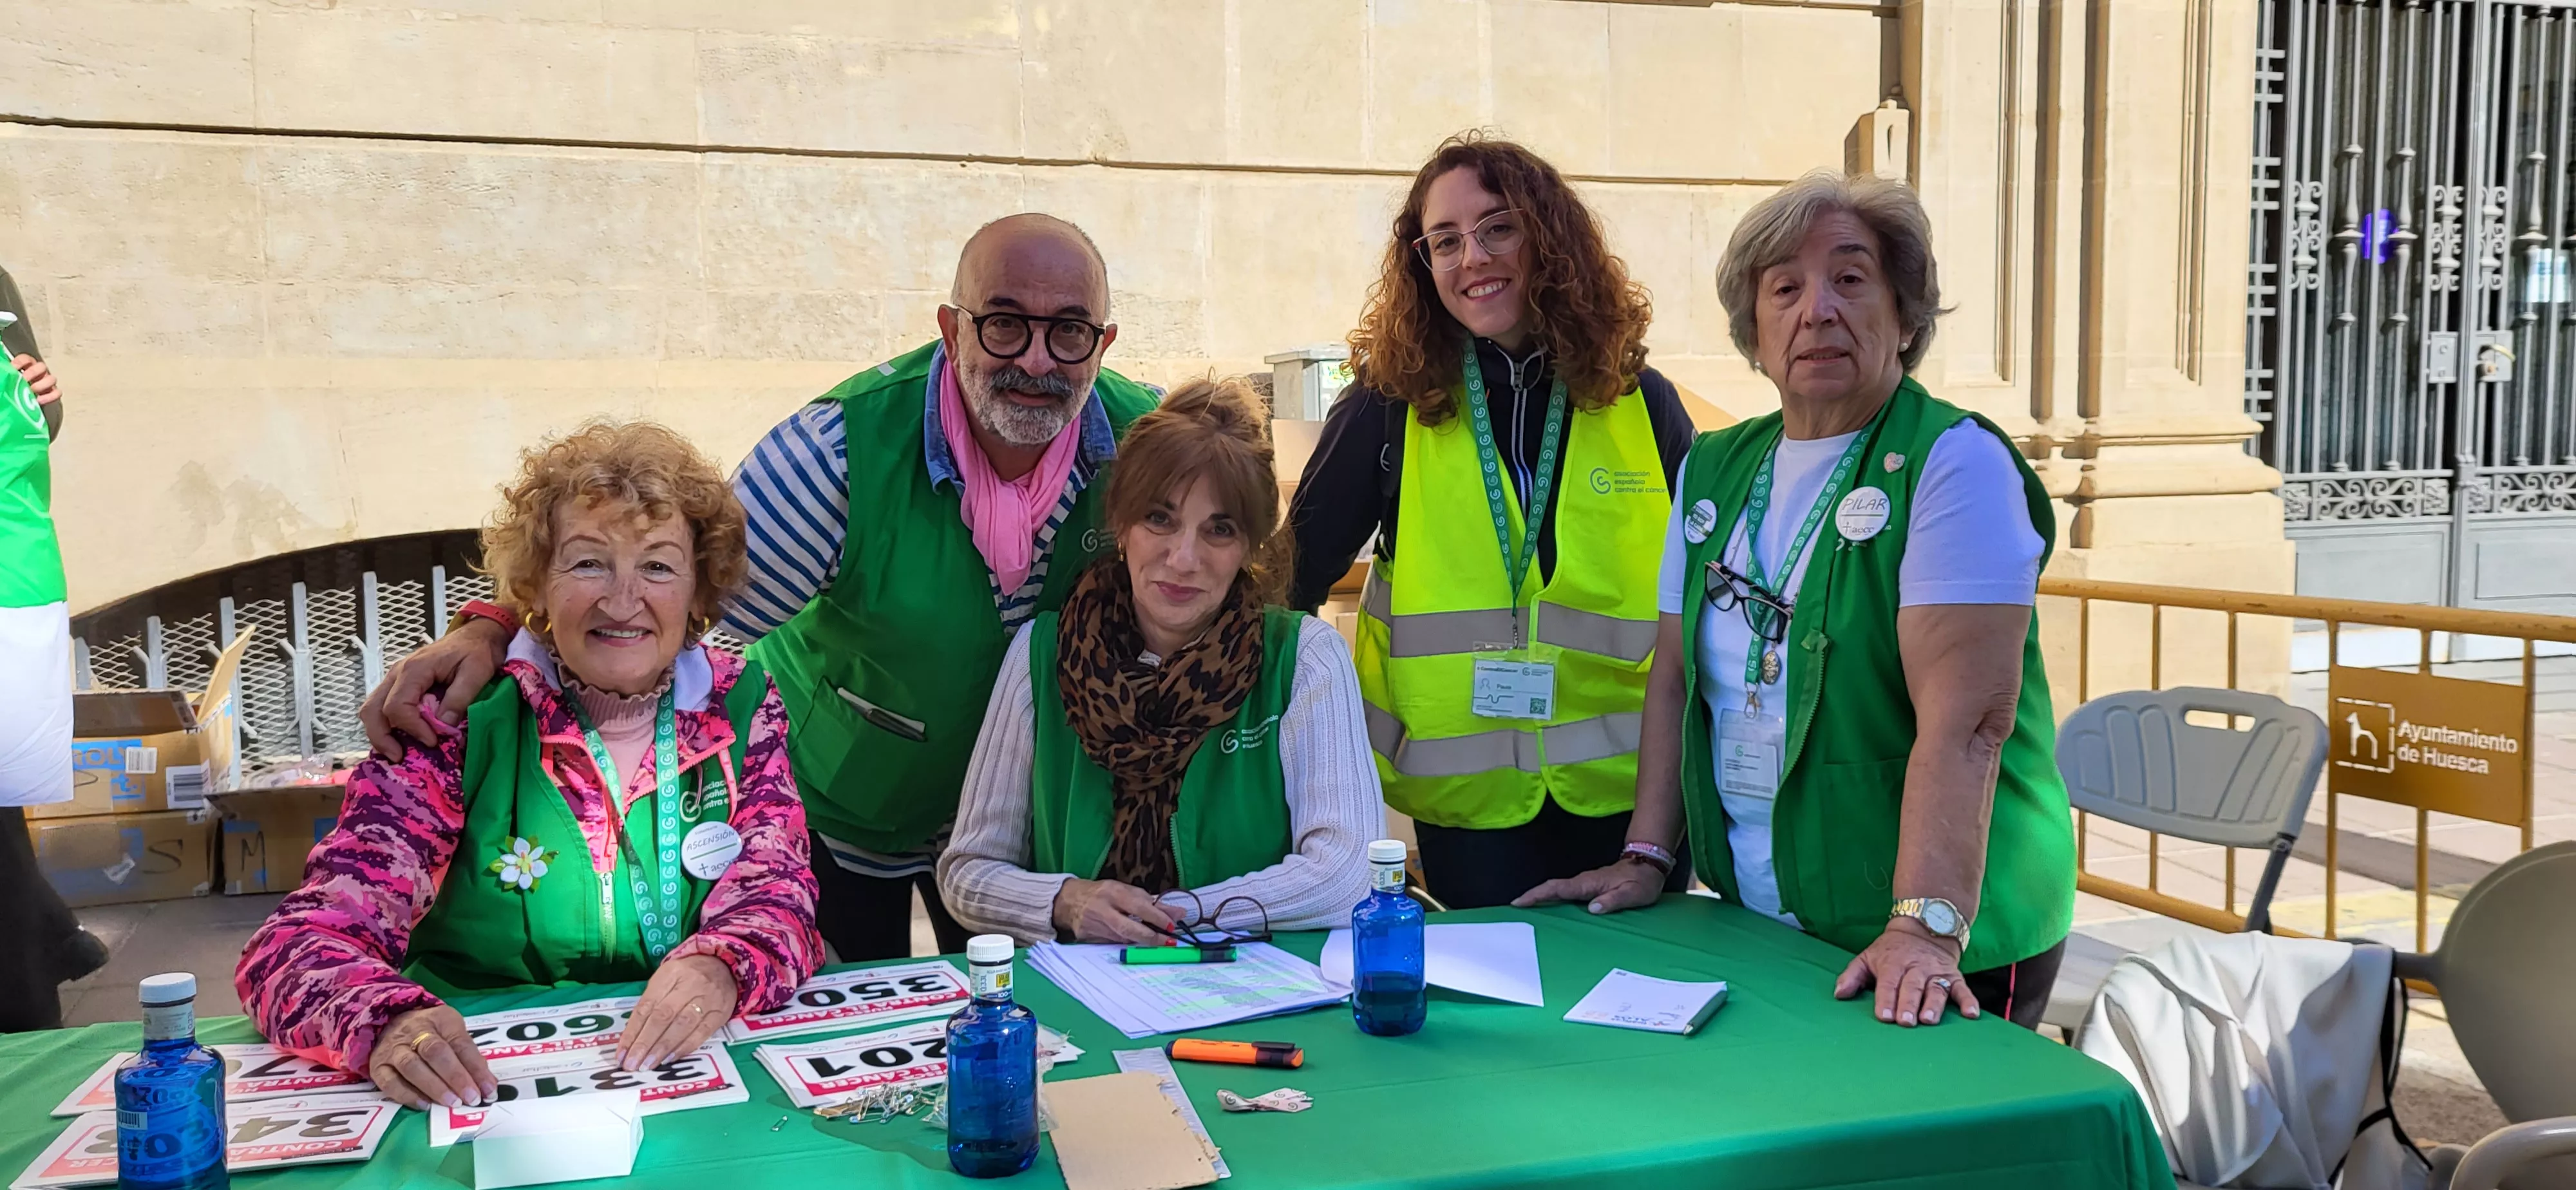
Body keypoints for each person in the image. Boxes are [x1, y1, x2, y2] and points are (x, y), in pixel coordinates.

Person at [359, 214, 1162, 961]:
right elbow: (657, 600)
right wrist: (493, 625)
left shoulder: (1146, 443)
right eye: (1004, 323)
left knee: (1021, 1036)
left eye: (1067, 332)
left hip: (1021, 832)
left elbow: (1224, 593)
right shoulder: (831, 459)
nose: (1035, 359)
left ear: (1103, 343)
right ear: (951, 331)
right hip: (847, 810)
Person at [1517, 170, 2077, 1031]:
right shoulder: (1715, 465)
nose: (1818, 309)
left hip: (1944, 939)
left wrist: (1926, 927)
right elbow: (1671, 676)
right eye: (1785, 288)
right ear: (1754, 332)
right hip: (1769, 916)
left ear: (1907, 313)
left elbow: (1968, 726)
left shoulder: (1953, 463)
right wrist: (1645, 853)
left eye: (1850, 279)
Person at [240, 421, 821, 1109]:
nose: (622, 599)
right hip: (485, 1084)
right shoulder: (455, 720)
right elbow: (300, 943)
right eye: (587, 562)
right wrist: (387, 1021)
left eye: (659, 566)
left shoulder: (744, 706)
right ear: (534, 593)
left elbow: (778, 894)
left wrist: (724, 966)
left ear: (698, 594)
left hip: (685, 1072)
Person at [1289, 133, 1697, 910]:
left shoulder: (1643, 402)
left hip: (1635, 813)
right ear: (1424, 265)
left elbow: (1709, 611)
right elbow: (1288, 588)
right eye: (1445, 241)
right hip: (1469, 817)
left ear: (1549, 239)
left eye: (1497, 227)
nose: (1471, 257)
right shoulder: (1387, 406)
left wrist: (1663, 830)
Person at [940, 378, 1381, 944]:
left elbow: (1350, 873)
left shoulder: (1303, 661)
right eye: (1160, 519)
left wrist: (1176, 917)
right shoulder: (1039, 654)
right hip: (1079, 999)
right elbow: (967, 872)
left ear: (1251, 545)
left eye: (1219, 529)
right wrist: (1070, 903)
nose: (1184, 558)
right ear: (1121, 525)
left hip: (1253, 992)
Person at [0, 267, 107, 1033]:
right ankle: (41, 941)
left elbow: (37, 412)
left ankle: (32, 961)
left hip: (15, 570)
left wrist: (42, 393)